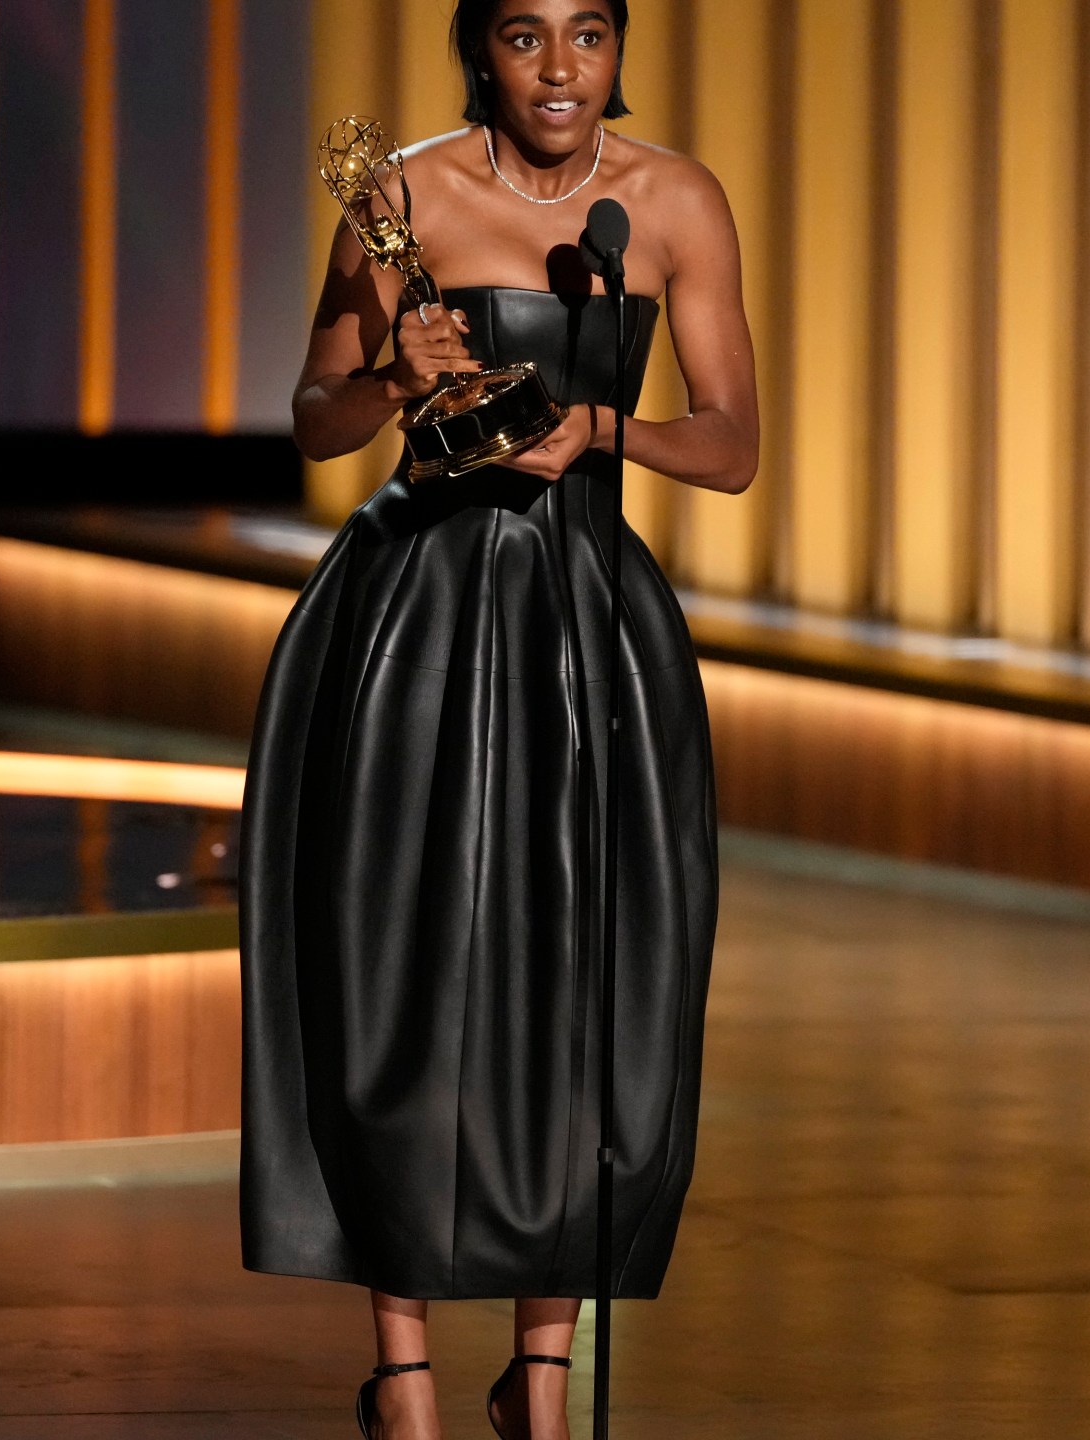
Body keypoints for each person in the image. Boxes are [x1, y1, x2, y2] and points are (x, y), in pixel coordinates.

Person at [239, 0, 757, 1435]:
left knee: (581, 976)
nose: (558, 70)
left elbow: (733, 441)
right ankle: (399, 1368)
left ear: (615, 50)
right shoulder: (400, 196)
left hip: (590, 624)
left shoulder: (671, 202)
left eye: (586, 36)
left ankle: (542, 1373)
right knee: (396, 968)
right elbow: (315, 413)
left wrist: (605, 431)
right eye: (525, 37)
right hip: (416, 613)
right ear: (482, 50)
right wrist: (385, 381)